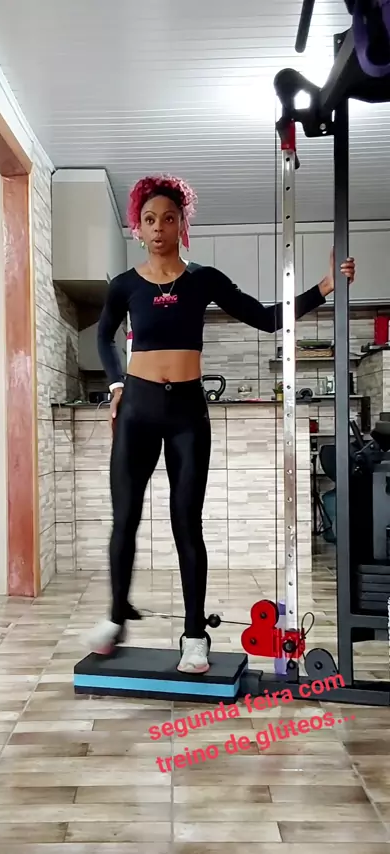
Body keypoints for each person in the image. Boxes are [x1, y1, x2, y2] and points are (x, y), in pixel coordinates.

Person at [83, 174, 355, 674]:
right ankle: (115, 617)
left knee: (187, 521)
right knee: (125, 518)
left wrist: (324, 287)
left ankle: (194, 634)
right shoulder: (124, 286)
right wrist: (117, 383)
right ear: (138, 228)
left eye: (168, 218)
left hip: (187, 412)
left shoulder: (203, 279)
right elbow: (104, 337)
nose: (159, 228)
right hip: (138, 408)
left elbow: (268, 318)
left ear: (181, 224)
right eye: (149, 220)